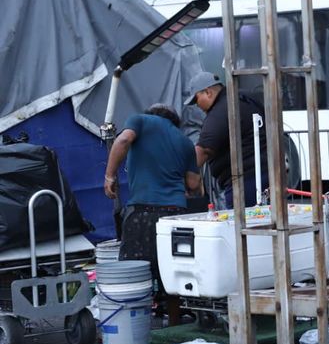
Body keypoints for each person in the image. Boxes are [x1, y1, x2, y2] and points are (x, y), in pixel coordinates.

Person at [104, 104, 200, 326]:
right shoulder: (185, 141)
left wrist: (110, 176)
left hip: (143, 211)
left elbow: (123, 140)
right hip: (175, 214)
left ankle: (134, 326)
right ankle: (174, 323)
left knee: (134, 272)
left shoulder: (140, 120)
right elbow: (193, 184)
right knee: (171, 272)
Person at [185, 71, 267, 209]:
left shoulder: (221, 110)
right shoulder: (243, 98)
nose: (197, 105)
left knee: (245, 225)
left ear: (208, 92)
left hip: (246, 181)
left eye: (196, 99)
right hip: (265, 172)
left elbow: (204, 149)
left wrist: (180, 169)